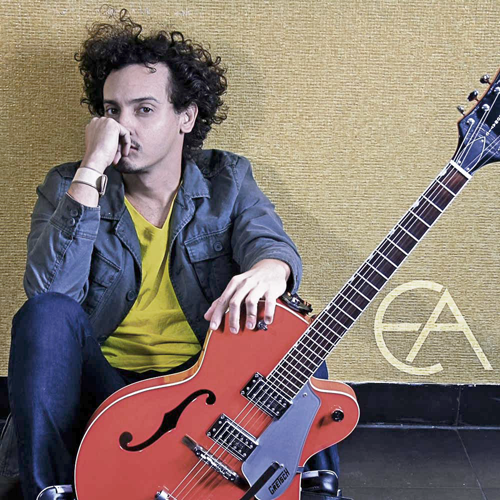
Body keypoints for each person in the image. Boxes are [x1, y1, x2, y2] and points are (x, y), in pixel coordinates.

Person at [5, 9, 339, 499]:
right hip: (104, 386)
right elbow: (50, 292)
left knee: (291, 323)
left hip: (201, 391)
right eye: (111, 111)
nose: (123, 127)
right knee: (45, 314)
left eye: (143, 109)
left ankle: (313, 485)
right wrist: (92, 168)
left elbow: (267, 241)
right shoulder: (69, 186)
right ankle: (50, 490)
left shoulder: (227, 180)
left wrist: (271, 270)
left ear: (186, 116)